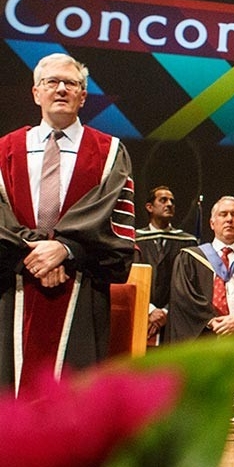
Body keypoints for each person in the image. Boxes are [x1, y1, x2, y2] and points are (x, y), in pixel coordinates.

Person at [0, 53, 136, 398]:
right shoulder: (5, 150)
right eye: (52, 82)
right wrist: (35, 251)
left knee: (71, 410)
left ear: (83, 96)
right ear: (36, 92)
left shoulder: (109, 153)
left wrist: (65, 249)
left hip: (81, 289)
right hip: (11, 287)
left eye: (71, 83)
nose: (61, 89)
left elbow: (111, 222)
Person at [166, 196, 234, 423]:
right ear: (211, 222)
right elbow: (183, 297)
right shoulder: (190, 258)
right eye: (223, 215)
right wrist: (212, 320)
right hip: (204, 342)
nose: (229, 219)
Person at [134, 186, 197, 346]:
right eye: (163, 200)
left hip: (175, 318)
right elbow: (129, 278)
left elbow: (190, 284)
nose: (169, 204)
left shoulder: (187, 242)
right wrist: (150, 310)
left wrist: (165, 312)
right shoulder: (134, 240)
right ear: (149, 207)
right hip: (141, 316)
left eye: (172, 201)